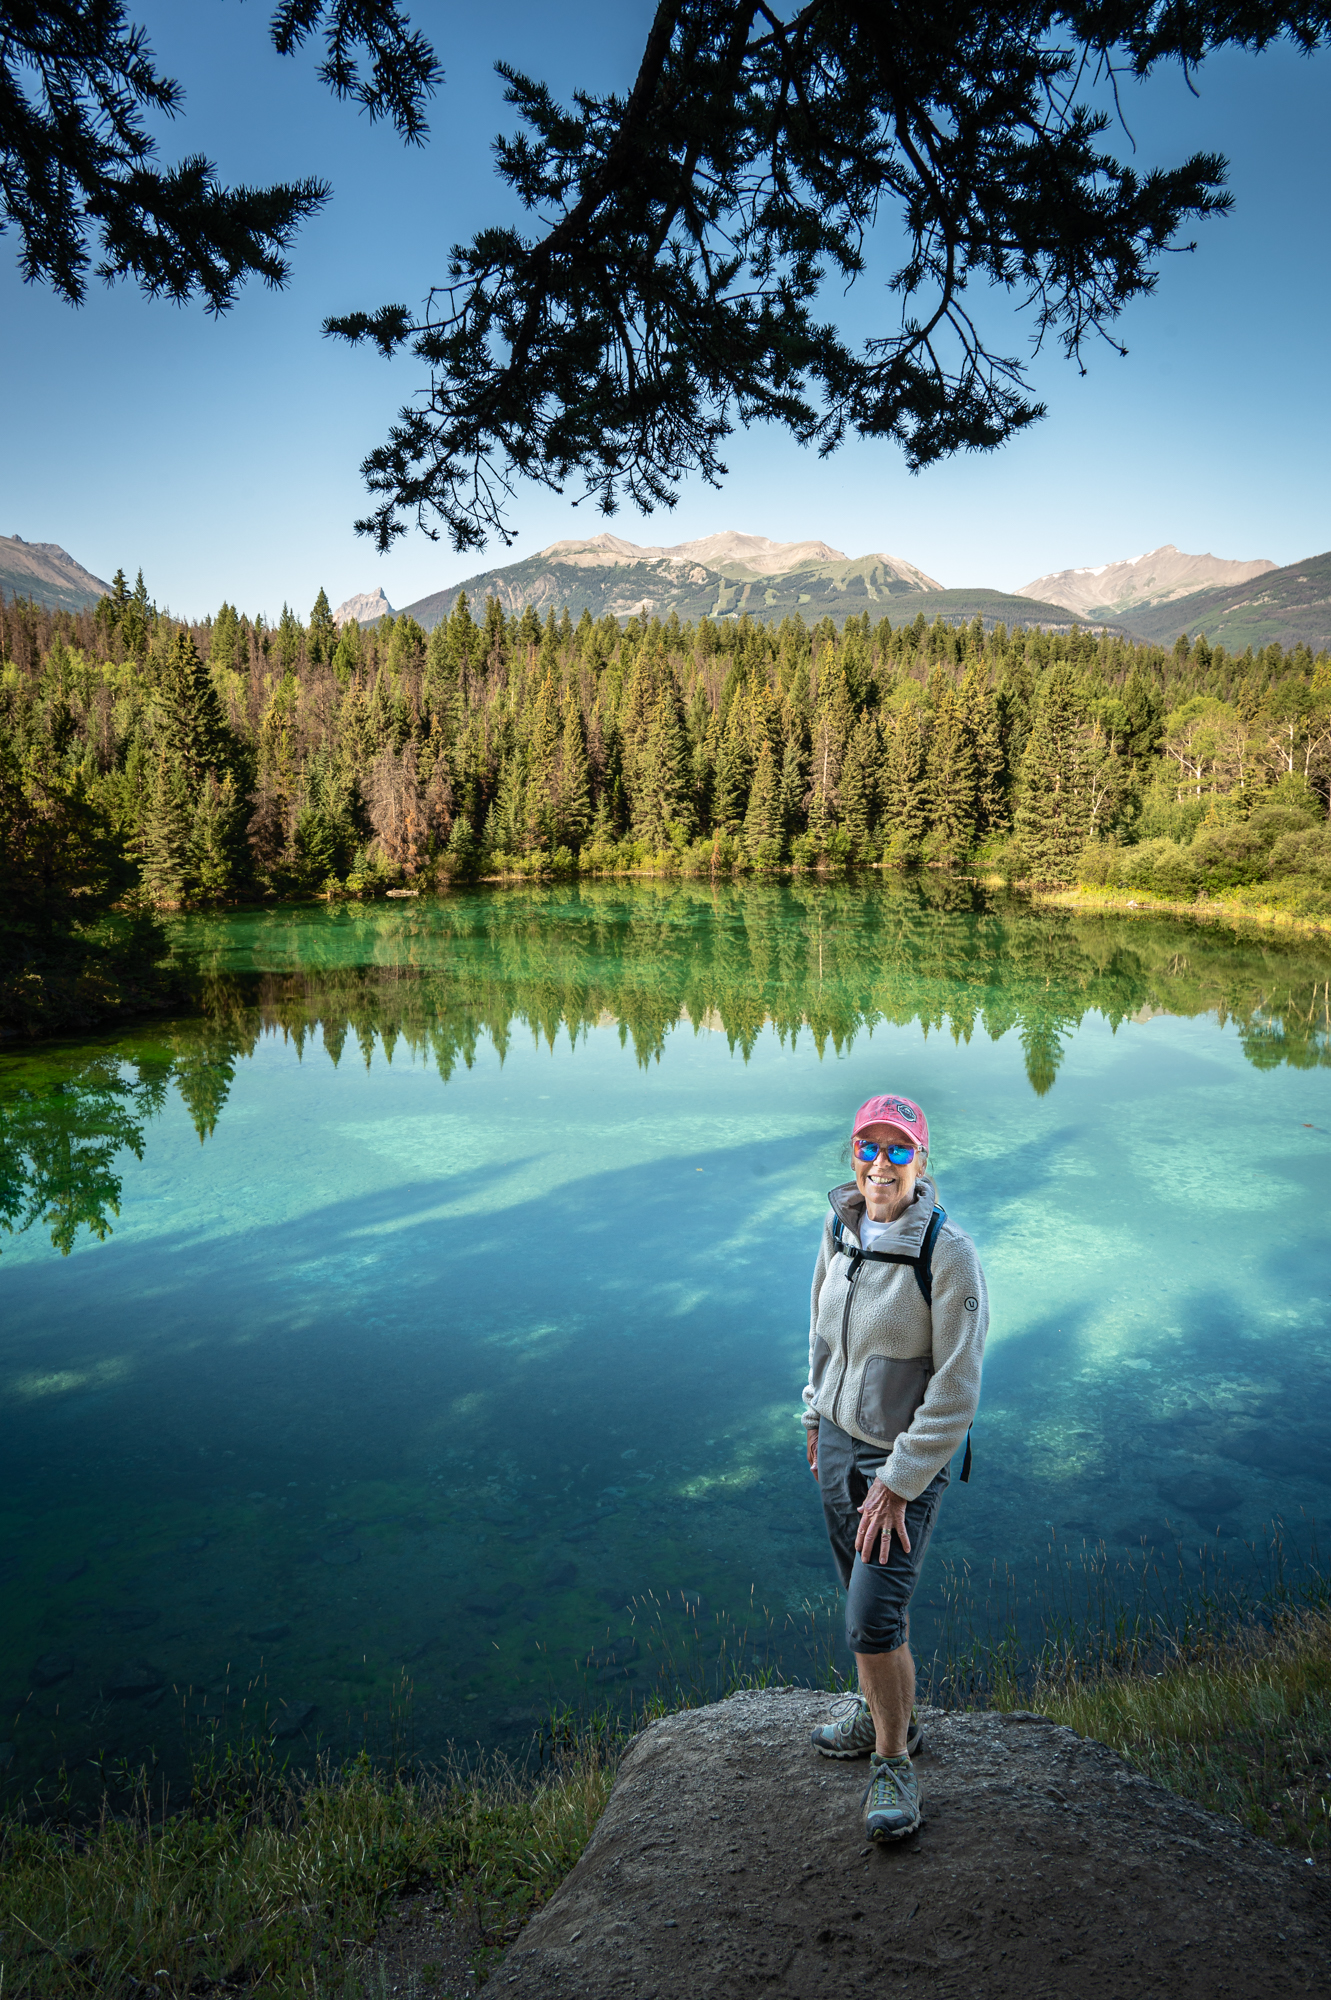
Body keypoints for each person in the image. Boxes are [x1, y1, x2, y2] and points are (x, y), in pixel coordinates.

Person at [803, 1091, 987, 1843]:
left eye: (898, 1149)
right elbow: (820, 1329)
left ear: (921, 1160)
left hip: (900, 1458)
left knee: (871, 1618)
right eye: (868, 1147)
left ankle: (892, 1763)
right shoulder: (839, 1227)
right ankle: (890, 1716)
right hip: (837, 1441)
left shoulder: (947, 1253)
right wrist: (813, 1413)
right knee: (863, 1595)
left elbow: (957, 1387)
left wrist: (900, 1480)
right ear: (853, 1154)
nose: (880, 1163)